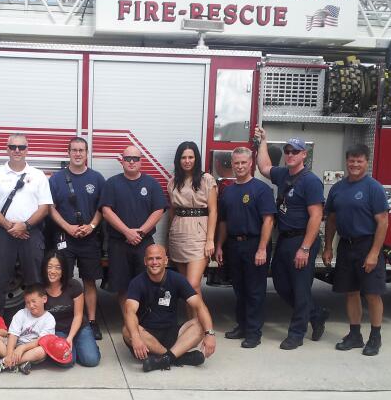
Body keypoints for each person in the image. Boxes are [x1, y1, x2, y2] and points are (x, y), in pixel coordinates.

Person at [255, 127, 329, 350]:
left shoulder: (311, 181)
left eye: (295, 152)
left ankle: (296, 333)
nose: (290, 155)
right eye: (287, 151)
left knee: (300, 288)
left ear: (304, 154)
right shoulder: (283, 174)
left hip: (302, 241)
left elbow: (316, 216)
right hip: (285, 240)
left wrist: (305, 248)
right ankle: (316, 314)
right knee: (280, 284)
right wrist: (264, 141)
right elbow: (264, 167)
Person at [323, 144, 390, 356]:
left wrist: (374, 253)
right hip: (346, 245)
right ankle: (355, 335)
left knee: (372, 293)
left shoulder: (374, 188)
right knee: (351, 292)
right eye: (351, 160)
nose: (355, 164)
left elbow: (383, 222)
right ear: (346, 162)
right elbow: (331, 220)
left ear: (366, 162)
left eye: (359, 161)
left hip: (367, 245)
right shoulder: (338, 188)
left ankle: (375, 337)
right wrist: (327, 247)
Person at [0, 133, 53, 317]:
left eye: (21, 147)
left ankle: (35, 321)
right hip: (4, 233)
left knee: (34, 280)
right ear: (7, 149)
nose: (17, 151)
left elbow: (44, 207)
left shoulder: (37, 175)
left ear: (27, 150)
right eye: (13, 147)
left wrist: (26, 226)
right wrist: (10, 227)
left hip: (31, 234)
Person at [214, 147, 275, 348]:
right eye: (236, 163)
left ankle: (254, 332)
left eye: (243, 163)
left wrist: (262, 249)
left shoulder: (261, 189)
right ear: (232, 164)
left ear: (251, 164)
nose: (239, 166)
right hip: (233, 245)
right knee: (239, 289)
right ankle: (242, 326)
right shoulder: (228, 191)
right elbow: (223, 222)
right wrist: (220, 246)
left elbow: (268, 221)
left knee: (255, 291)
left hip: (254, 244)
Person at [123, 244, 216, 372]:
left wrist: (210, 334)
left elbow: (200, 306)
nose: (154, 262)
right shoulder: (137, 282)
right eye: (150, 259)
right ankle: (177, 357)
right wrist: (136, 337)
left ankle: (163, 359)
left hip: (172, 333)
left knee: (200, 324)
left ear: (166, 261)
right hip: (147, 336)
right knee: (127, 331)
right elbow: (130, 311)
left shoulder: (177, 279)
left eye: (158, 258)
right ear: (145, 261)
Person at [48, 137, 105, 339]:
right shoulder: (56, 179)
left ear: (87, 153)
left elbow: (102, 208)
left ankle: (91, 322)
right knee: (64, 280)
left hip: (89, 238)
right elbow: (51, 208)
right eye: (74, 150)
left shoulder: (97, 178)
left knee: (89, 281)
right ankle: (64, 320)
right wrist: (68, 227)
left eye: (82, 150)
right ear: (68, 153)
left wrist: (91, 227)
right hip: (65, 237)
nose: (78, 154)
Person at [100, 146, 167, 311]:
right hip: (118, 243)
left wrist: (141, 232)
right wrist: (127, 232)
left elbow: (159, 210)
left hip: (144, 244)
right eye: (128, 158)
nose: (131, 161)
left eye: (135, 158)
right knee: (123, 286)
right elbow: (106, 211)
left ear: (141, 161)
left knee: (148, 282)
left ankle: (144, 321)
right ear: (122, 160)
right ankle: (129, 323)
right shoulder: (112, 183)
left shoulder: (151, 183)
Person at [167, 141, 217, 302]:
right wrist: (168, 240)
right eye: (183, 157)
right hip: (178, 234)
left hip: (199, 235)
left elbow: (213, 211)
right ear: (178, 160)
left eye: (191, 157)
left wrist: (210, 240)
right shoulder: (173, 182)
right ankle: (193, 325)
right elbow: (172, 211)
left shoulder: (207, 179)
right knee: (185, 288)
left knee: (193, 285)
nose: (187, 161)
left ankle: (204, 326)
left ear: (196, 159)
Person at [42, 252, 101, 367]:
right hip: (57, 330)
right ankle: (76, 349)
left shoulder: (73, 286)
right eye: (49, 267)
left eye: (58, 268)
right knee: (68, 362)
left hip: (79, 327)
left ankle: (87, 346)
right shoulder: (40, 288)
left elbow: (78, 315)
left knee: (91, 360)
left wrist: (70, 338)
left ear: (63, 270)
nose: (53, 271)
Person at [0, 284, 56, 375]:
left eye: (34, 301)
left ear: (44, 299)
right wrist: (9, 354)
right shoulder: (21, 313)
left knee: (42, 351)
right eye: (27, 302)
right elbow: (13, 335)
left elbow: (41, 340)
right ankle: (18, 363)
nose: (31, 305)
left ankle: (3, 363)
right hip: (15, 346)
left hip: (31, 349)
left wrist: (23, 348)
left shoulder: (49, 319)